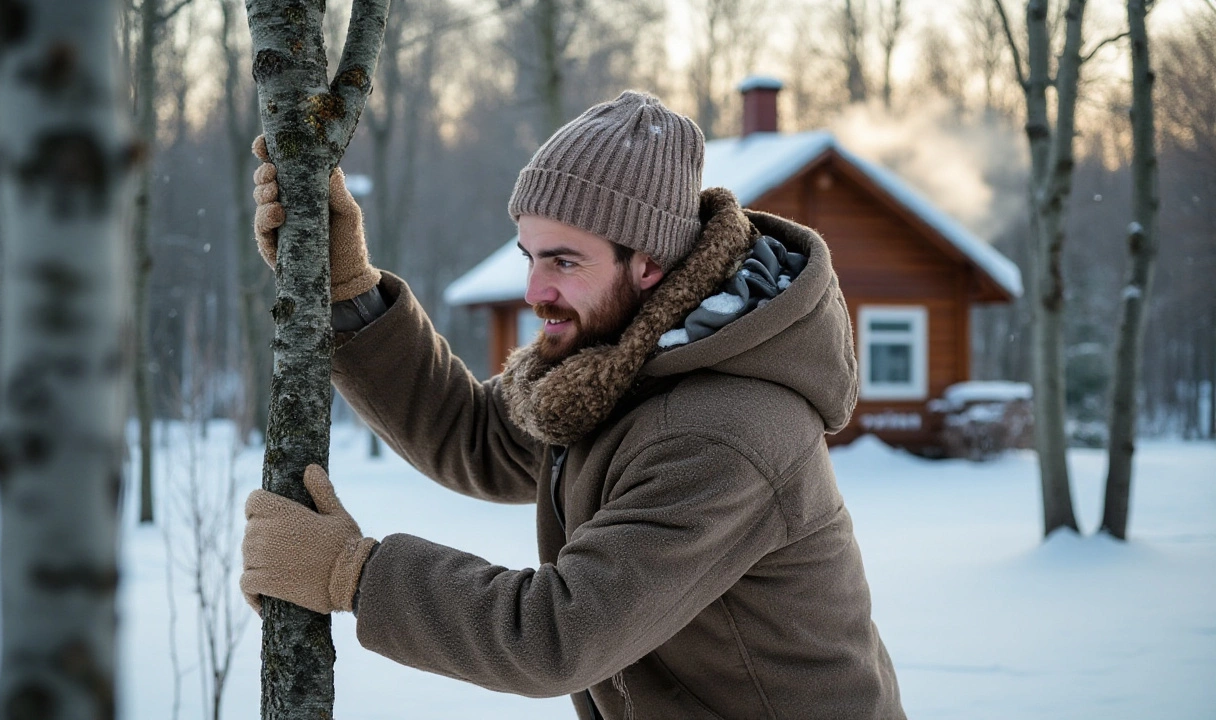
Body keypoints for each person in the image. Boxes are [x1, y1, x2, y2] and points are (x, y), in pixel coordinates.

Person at [240, 91, 904, 719]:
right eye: (530, 256)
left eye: (563, 262)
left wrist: (353, 574)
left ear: (647, 263)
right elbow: (476, 437)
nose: (534, 289)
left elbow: (557, 636)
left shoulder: (724, 433)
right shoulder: (620, 365)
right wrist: (349, 291)